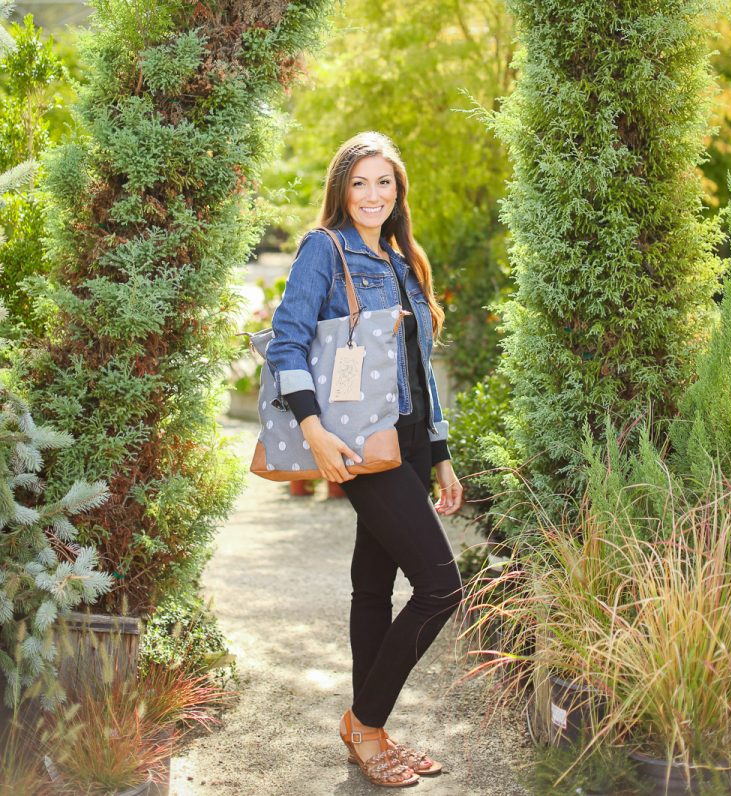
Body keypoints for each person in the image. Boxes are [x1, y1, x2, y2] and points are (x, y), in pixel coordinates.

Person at [265, 131, 464, 788]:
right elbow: (286, 346)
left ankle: (369, 734)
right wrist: (314, 430)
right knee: (441, 587)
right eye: (360, 183)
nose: (372, 195)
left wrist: (440, 457)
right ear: (341, 190)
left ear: (398, 190)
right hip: (357, 441)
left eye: (384, 182)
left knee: (373, 588)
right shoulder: (325, 249)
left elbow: (421, 371)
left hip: (405, 442)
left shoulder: (407, 262)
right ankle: (364, 721)